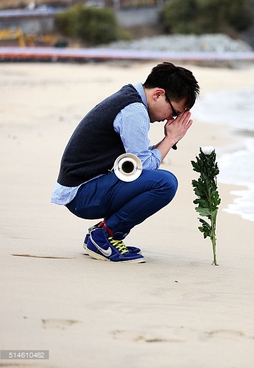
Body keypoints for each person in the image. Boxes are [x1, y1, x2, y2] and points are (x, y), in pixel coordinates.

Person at [51, 61, 200, 263]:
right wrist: (170, 139)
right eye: (174, 112)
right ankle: (105, 236)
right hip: (82, 194)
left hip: (84, 188)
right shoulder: (134, 111)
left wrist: (167, 140)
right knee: (165, 183)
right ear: (158, 94)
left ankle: (102, 235)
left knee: (159, 180)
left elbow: (135, 161)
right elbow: (143, 167)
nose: (170, 119)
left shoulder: (130, 98)